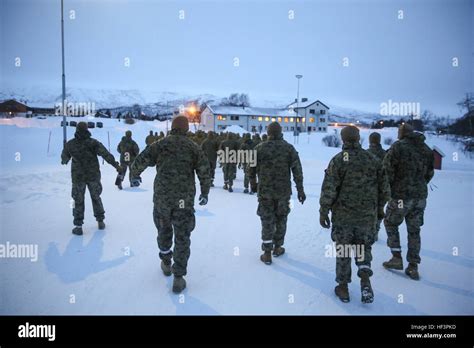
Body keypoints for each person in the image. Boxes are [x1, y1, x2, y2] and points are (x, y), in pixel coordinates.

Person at [130, 116, 211, 293]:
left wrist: (134, 175)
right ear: (187, 129)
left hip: (163, 198)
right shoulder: (193, 147)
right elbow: (205, 171)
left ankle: (166, 261)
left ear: (172, 128)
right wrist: (205, 193)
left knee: (163, 228)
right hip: (183, 200)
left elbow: (140, 161)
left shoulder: (160, 144)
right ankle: (178, 277)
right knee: (182, 236)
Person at [319, 126, 389, 303]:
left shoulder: (339, 160)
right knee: (363, 248)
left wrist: (323, 211)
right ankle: (365, 280)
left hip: (344, 217)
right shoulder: (372, 159)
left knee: (344, 250)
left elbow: (329, 189)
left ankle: (343, 288)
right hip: (367, 217)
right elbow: (385, 190)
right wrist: (379, 209)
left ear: (343, 139)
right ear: (359, 138)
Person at [382, 123, 434, 280]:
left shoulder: (398, 147)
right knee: (414, 230)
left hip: (400, 197)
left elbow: (386, 171)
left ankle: (396, 257)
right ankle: (413, 266)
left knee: (390, 223)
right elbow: (430, 173)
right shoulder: (426, 149)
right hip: (419, 198)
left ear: (402, 133)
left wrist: (389, 190)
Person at [249, 122, 306, 265]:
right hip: (283, 192)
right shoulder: (288, 149)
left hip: (265, 192)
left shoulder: (259, 148)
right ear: (281, 132)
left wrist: (253, 183)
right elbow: (297, 170)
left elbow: (250, 168)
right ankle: (278, 247)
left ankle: (267, 252)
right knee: (281, 218)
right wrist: (300, 189)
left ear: (267, 133)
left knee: (266, 219)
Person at [61, 122, 122, 235]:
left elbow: (64, 159)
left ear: (76, 130)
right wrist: (116, 166)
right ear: (87, 130)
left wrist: (65, 155)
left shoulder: (70, 144)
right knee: (96, 197)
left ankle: (78, 226)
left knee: (77, 200)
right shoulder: (93, 143)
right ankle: (100, 221)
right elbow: (106, 155)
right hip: (93, 176)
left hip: (78, 177)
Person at [367, 131, 387, 241]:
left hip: (368, 189)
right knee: (379, 209)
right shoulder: (386, 154)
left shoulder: (365, 154)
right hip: (383, 189)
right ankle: (376, 231)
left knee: (368, 210)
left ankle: (369, 231)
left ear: (370, 141)